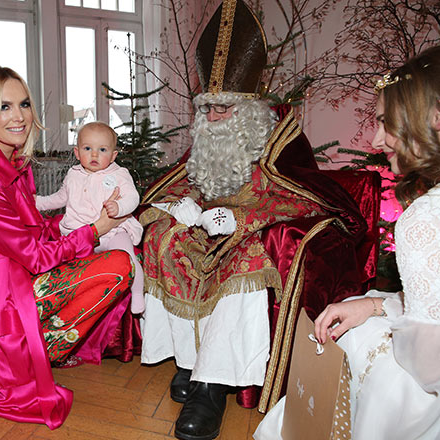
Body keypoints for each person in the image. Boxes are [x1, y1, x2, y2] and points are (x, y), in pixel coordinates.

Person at [138, 2, 368, 439]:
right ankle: (189, 362)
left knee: (242, 261)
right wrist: (180, 206)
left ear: (247, 108)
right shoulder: (207, 135)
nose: (213, 118)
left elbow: (302, 196)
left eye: (223, 109)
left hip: (248, 231)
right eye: (207, 108)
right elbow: (188, 179)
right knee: (160, 237)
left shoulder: (278, 134)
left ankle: (212, 385)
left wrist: (243, 218)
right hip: (202, 225)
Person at [0, 65, 134, 429]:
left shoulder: (12, 163)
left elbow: (36, 230)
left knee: (113, 260)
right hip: (4, 300)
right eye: (4, 106)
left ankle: (44, 344)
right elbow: (37, 255)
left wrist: (74, 224)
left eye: (23, 104)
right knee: (118, 266)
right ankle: (38, 348)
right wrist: (94, 229)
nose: (19, 116)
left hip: (19, 275)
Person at [254, 46, 440, 440]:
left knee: (357, 350)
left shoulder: (425, 217)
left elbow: (427, 365)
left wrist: (379, 324)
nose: (376, 139)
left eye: (387, 123)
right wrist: (375, 304)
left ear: (435, 120)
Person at [35, 121, 145, 313]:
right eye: (88, 148)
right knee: (75, 270)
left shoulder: (119, 174)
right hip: (81, 233)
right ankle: (75, 304)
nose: (94, 155)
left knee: (128, 259)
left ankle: (137, 293)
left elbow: (133, 198)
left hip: (113, 231)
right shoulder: (73, 174)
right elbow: (60, 198)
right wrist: (38, 202)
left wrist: (118, 207)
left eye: (102, 149)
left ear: (113, 155)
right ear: (77, 153)